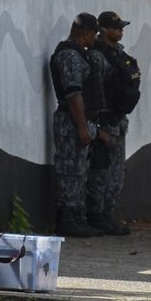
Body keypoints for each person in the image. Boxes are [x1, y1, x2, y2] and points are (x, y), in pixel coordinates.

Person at [48, 13, 106, 238]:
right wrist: (82, 127)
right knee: (69, 171)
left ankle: (76, 217)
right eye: (94, 33)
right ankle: (66, 218)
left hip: (80, 121)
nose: (96, 38)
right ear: (86, 33)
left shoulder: (80, 53)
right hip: (70, 122)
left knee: (80, 172)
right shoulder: (69, 55)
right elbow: (73, 94)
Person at [86, 11, 141, 236]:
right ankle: (96, 216)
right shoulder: (97, 55)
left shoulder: (119, 54)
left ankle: (106, 215)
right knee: (100, 172)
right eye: (116, 27)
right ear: (103, 30)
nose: (120, 31)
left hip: (118, 121)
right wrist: (96, 126)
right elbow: (93, 91)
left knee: (116, 175)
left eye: (121, 27)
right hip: (103, 122)